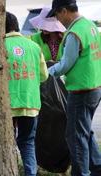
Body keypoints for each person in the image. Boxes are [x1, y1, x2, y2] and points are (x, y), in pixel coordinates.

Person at [46, 0, 101, 175]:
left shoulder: (74, 33)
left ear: (64, 11)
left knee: (75, 137)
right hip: (94, 87)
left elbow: (66, 64)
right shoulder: (89, 26)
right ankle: (97, 168)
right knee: (85, 132)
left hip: (81, 91)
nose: (57, 20)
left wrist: (48, 71)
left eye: (56, 15)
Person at [5, 12, 49, 176]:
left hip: (7, 104)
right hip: (30, 103)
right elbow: (44, 75)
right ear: (16, 26)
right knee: (27, 142)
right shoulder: (34, 46)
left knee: (6, 143)